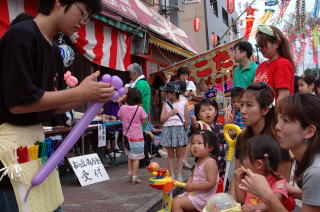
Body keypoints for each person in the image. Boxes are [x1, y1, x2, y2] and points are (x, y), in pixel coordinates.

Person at [0, 1, 114, 211]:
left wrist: (89, 96)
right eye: (83, 13)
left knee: (51, 205)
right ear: (58, 2)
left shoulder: (53, 50)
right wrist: (80, 92)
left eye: (87, 17)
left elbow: (49, 105)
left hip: (35, 148)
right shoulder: (21, 36)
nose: (83, 22)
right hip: (8, 157)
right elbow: (18, 105)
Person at [239, 94, 320, 212]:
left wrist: (266, 194)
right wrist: (298, 194)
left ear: (309, 131)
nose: (277, 126)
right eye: (278, 120)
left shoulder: (315, 172)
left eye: (285, 121)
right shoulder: (309, 162)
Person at [234, 83, 291, 183]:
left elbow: (283, 186)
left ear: (265, 110)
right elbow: (237, 178)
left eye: (249, 105)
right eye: (242, 104)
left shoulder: (279, 141)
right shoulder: (241, 138)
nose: (242, 110)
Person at [233, 135, 294, 212]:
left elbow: (274, 202)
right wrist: (237, 181)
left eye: (245, 157)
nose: (243, 161)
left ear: (258, 164)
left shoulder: (279, 181)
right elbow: (241, 199)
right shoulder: (249, 178)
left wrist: (254, 208)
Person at [172, 130, 219, 212]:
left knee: (177, 202)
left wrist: (193, 186)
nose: (195, 146)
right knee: (175, 199)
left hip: (204, 198)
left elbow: (211, 183)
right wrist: (189, 184)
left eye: (199, 143)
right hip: (195, 194)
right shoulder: (199, 161)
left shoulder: (210, 163)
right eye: (193, 143)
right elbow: (192, 176)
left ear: (210, 147)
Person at [254, 25, 294, 101]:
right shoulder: (261, 66)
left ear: (276, 43)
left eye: (263, 45)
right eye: (258, 46)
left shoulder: (282, 64)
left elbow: (283, 96)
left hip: (275, 112)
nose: (260, 49)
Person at [191, 99, 227, 179]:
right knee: (207, 178)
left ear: (215, 112)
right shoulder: (201, 125)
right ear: (199, 116)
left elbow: (224, 135)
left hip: (221, 160)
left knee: (221, 179)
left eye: (210, 109)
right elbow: (196, 126)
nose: (207, 112)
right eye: (203, 111)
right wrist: (194, 123)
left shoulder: (219, 125)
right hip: (207, 161)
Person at [160, 81, 188, 181]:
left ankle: (180, 174)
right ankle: (172, 174)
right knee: (170, 155)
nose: (166, 94)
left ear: (174, 93)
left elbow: (185, 119)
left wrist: (185, 129)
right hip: (168, 129)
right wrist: (171, 113)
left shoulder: (183, 103)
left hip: (179, 129)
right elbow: (162, 119)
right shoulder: (165, 104)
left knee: (180, 155)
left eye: (168, 92)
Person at [117, 88, 147, 184]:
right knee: (136, 158)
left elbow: (120, 117)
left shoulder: (122, 108)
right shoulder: (140, 109)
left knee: (130, 156)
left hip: (126, 137)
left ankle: (130, 172)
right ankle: (135, 176)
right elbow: (144, 121)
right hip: (137, 138)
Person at [126, 63, 151, 167]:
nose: (130, 76)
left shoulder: (140, 84)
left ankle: (142, 161)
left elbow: (132, 97)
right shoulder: (142, 83)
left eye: (131, 74)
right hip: (141, 113)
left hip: (139, 114)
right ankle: (144, 160)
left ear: (135, 73)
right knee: (141, 137)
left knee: (139, 139)